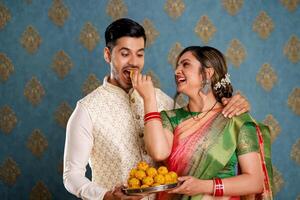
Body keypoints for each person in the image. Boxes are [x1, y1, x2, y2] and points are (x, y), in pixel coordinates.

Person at [63, 18, 250, 200]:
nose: (134, 62)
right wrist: (106, 196)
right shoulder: (88, 109)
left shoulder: (161, 99)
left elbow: (200, 127)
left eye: (140, 54)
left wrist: (232, 103)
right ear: (107, 54)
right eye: (125, 53)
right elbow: (71, 176)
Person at [132, 46, 273, 200]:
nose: (176, 71)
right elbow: (159, 153)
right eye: (177, 66)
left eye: (185, 64)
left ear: (207, 73)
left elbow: (255, 182)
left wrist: (203, 186)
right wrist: (149, 99)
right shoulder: (171, 118)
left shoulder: (236, 120)